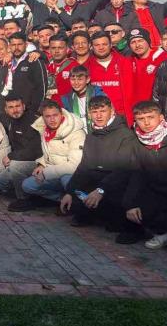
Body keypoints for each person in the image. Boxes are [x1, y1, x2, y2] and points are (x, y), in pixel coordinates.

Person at [123, 100, 167, 252]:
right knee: (135, 205)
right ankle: (165, 233)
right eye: (141, 119)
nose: (146, 123)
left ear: (161, 117)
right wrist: (130, 203)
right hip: (159, 192)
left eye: (151, 117)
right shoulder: (137, 142)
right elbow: (137, 174)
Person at [59, 96, 139, 232]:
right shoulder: (91, 136)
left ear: (112, 111)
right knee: (73, 199)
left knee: (115, 219)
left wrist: (101, 190)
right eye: (94, 112)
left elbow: (123, 169)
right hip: (95, 180)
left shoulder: (125, 135)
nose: (99, 116)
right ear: (90, 114)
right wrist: (69, 192)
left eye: (103, 111)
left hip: (116, 183)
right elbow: (84, 166)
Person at [20, 100, 86, 205]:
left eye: (55, 115)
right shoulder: (44, 130)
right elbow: (50, 152)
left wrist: (46, 173)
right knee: (27, 185)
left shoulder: (76, 133)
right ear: (43, 118)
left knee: (67, 180)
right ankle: (62, 200)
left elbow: (74, 165)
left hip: (71, 174)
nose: (52, 119)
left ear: (61, 114)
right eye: (48, 116)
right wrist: (42, 164)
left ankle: (79, 204)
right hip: (52, 172)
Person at [0, 93, 43, 209]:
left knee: (16, 166)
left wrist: (11, 156)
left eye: (18, 106)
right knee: (0, 181)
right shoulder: (11, 121)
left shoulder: (34, 121)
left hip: (38, 162)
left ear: (24, 106)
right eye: (11, 107)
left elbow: (36, 150)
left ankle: (24, 199)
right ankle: (34, 194)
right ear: (6, 110)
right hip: (21, 160)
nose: (15, 110)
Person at [87, 31, 136, 125]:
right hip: (98, 118)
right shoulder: (87, 67)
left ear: (110, 45)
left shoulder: (125, 63)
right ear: (92, 47)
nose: (101, 47)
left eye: (104, 44)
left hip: (122, 117)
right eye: (97, 45)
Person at [5, 33, 47, 114]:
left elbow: (41, 87)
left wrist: (34, 110)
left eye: (19, 44)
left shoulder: (34, 60)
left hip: (30, 110)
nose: (16, 48)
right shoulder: (7, 61)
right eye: (13, 45)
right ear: (9, 46)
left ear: (26, 44)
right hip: (12, 111)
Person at [128, 27, 167, 102]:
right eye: (133, 42)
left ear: (148, 41)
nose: (137, 45)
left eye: (140, 41)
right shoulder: (128, 62)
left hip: (154, 105)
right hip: (136, 106)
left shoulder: (162, 57)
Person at [61, 65, 105, 131]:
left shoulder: (98, 94)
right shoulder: (67, 99)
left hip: (98, 132)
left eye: (80, 79)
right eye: (73, 79)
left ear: (87, 79)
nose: (76, 83)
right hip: (78, 133)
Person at [46, 34, 77, 103]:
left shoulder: (74, 66)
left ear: (67, 49)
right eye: (53, 48)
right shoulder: (45, 66)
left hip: (68, 106)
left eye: (60, 48)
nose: (56, 51)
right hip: (48, 106)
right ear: (49, 49)